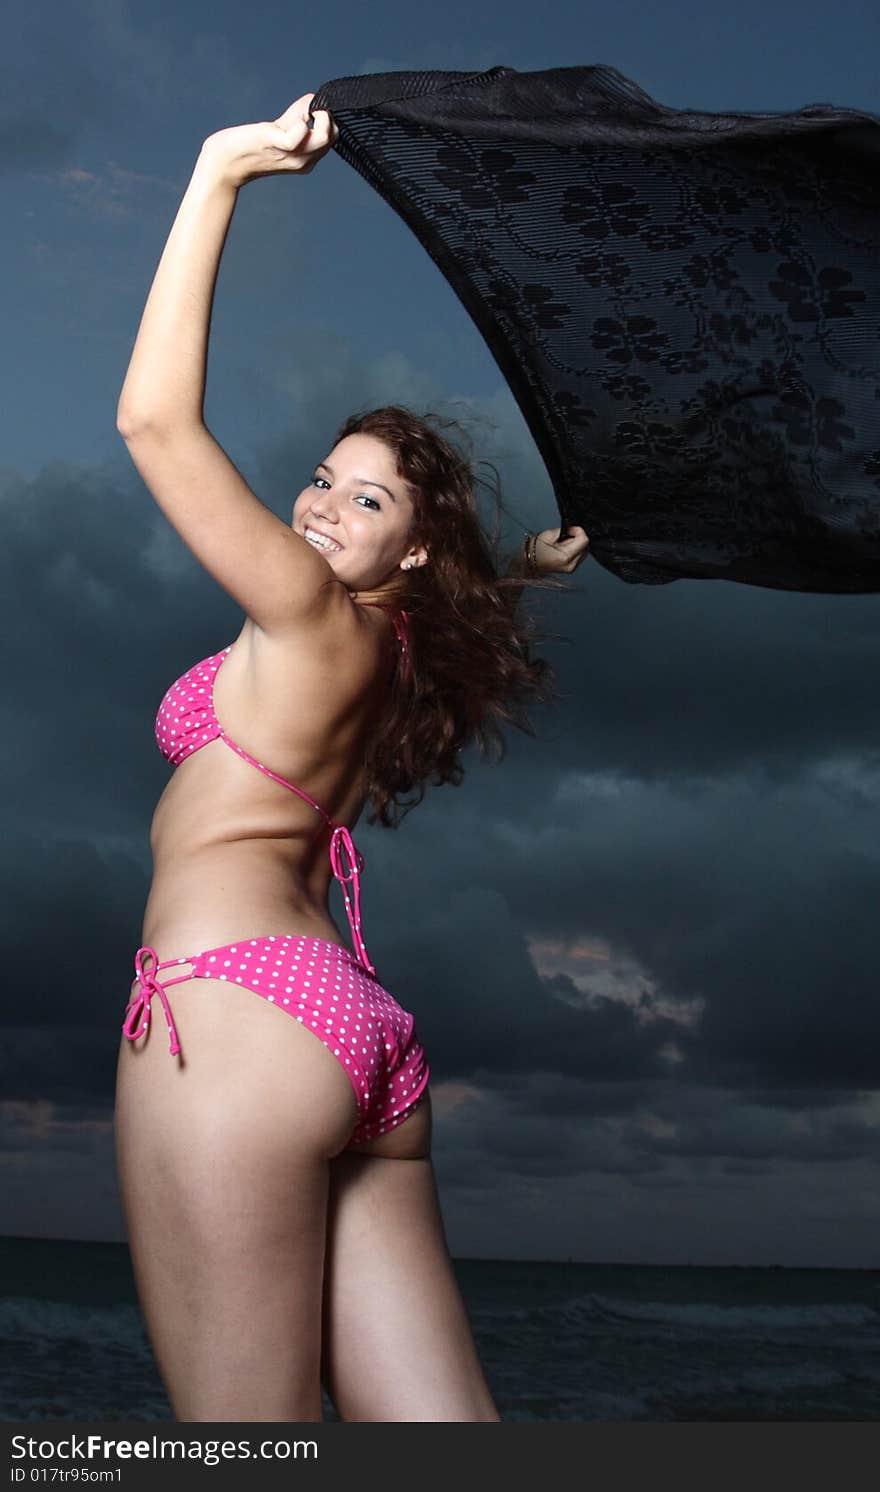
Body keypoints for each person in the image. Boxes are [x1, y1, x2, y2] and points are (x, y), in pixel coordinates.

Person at [113, 93, 590, 1424]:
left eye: (366, 498)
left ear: (411, 551)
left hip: (236, 1014)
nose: (320, 505)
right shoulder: (383, 655)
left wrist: (216, 177)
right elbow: (442, 600)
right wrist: (525, 572)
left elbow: (155, 424)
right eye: (323, 477)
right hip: (354, 1039)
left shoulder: (308, 616)